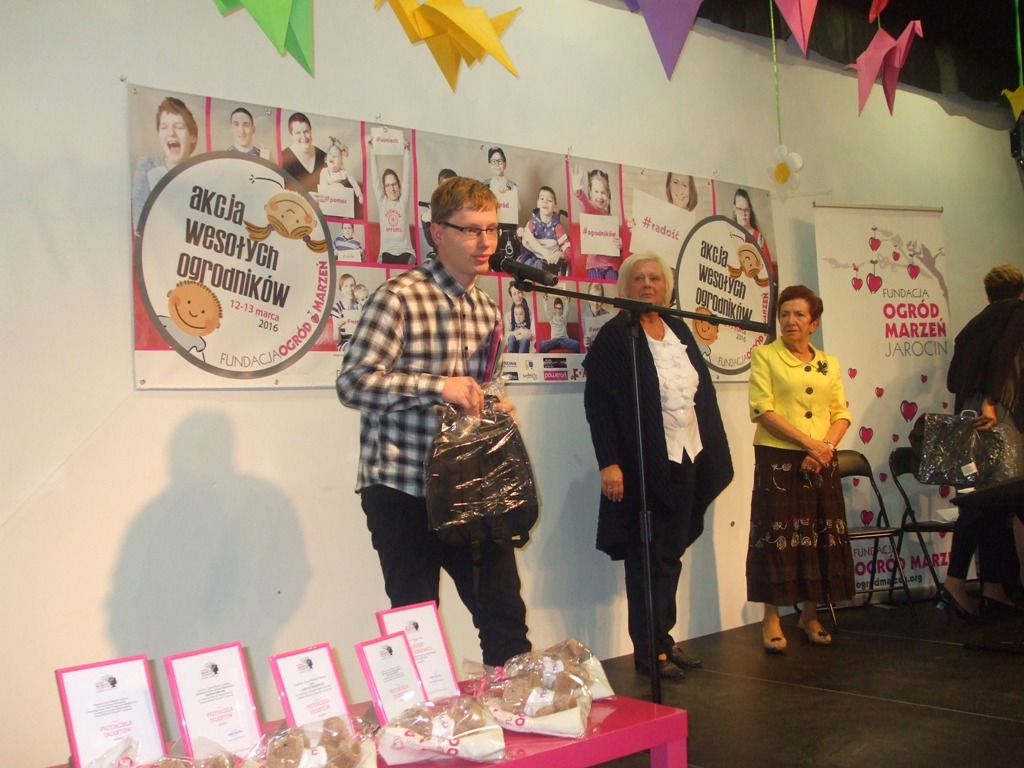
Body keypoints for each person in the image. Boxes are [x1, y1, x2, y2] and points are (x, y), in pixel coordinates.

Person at [336, 177, 531, 667]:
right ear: (436, 232)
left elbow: (487, 383)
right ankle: (422, 716)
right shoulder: (397, 298)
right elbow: (353, 383)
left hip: (471, 486)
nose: (485, 243)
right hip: (402, 486)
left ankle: (515, 712)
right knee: (415, 631)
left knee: (505, 618)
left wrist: (494, 404)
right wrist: (437, 386)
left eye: (492, 230)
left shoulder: (488, 309)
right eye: (471, 230)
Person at [583, 252, 733, 679]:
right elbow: (598, 407)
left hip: (685, 456)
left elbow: (700, 393)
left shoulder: (678, 328)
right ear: (625, 287)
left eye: (655, 279)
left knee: (670, 553)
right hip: (640, 464)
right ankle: (648, 651)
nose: (647, 285)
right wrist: (609, 463)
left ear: (666, 288)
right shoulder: (616, 336)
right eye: (639, 279)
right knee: (644, 557)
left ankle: (664, 639)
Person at [746, 285, 854, 652]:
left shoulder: (830, 362)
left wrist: (823, 449)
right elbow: (762, 409)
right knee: (776, 536)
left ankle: (810, 614)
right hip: (779, 457)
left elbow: (841, 413)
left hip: (821, 458)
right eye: (784, 314)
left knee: (818, 534)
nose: (790, 321)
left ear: (814, 323)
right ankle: (771, 617)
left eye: (799, 315)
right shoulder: (765, 356)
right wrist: (810, 444)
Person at [938, 264, 1024, 621]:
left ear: (988, 295)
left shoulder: (972, 326)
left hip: (969, 417)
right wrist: (990, 398)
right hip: (996, 415)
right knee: (996, 500)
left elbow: (953, 380)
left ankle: (992, 588)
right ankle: (956, 583)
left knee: (988, 503)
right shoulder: (1017, 313)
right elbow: (1005, 353)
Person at [132, 96, 199, 229]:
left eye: (179, 127)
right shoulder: (147, 167)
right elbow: (140, 226)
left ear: (193, 137)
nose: (171, 133)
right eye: (164, 127)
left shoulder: (202, 175)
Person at [571, 166, 622, 280]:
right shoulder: (591, 212)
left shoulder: (611, 219)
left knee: (612, 284)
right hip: (594, 265)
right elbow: (585, 204)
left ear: (608, 195)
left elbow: (615, 245)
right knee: (596, 285)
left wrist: (620, 244)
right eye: (596, 192)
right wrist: (578, 192)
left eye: (603, 192)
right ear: (590, 194)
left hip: (611, 266)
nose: (600, 196)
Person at [369, 137, 415, 264]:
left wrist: (406, 151)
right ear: (384, 188)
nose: (392, 189)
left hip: (406, 252)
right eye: (388, 185)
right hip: (387, 252)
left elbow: (407, 179)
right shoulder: (382, 203)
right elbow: (375, 179)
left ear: (399, 186)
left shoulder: (403, 203)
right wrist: (372, 150)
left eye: (394, 184)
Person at [517, 186, 572, 276]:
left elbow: (568, 251)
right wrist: (520, 234)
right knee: (527, 262)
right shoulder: (532, 223)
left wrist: (560, 254)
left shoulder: (557, 228)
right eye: (542, 199)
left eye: (549, 200)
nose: (545, 201)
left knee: (538, 265)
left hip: (548, 263)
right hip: (532, 257)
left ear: (555, 207)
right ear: (538, 203)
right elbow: (525, 241)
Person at [482, 147, 521, 260]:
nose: (497, 164)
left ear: (505, 164)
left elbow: (518, 209)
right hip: (490, 230)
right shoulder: (485, 185)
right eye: (493, 161)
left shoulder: (511, 185)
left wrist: (508, 193)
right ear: (489, 165)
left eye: (500, 161)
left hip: (508, 232)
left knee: (509, 260)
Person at [319, 137, 364, 218]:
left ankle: (345, 218)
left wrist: (359, 195)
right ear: (326, 159)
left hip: (342, 201)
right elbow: (323, 188)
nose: (332, 156)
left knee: (346, 214)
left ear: (341, 164)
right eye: (330, 154)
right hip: (329, 200)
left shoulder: (343, 172)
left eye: (336, 156)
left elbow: (353, 182)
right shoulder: (324, 172)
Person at [281, 112, 327, 193]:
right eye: (298, 133)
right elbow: (282, 193)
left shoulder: (325, 157)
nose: (303, 137)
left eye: (306, 131)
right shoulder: (283, 159)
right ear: (291, 135)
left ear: (311, 131)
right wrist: (305, 197)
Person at [732, 188, 774, 273]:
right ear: (734, 208)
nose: (743, 213)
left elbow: (769, 272)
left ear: (750, 210)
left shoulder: (759, 239)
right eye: (740, 209)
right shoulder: (729, 234)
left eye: (746, 210)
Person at [504, 282, 534, 354]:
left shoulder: (531, 313)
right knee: (511, 338)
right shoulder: (507, 316)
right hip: (513, 349)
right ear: (511, 297)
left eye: (519, 292)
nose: (518, 296)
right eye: (514, 294)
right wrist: (520, 331)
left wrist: (515, 334)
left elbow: (533, 335)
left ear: (522, 293)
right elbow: (506, 336)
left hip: (527, 350)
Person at [582, 282, 614, 349]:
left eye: (598, 299)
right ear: (588, 300)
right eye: (593, 299)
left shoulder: (607, 316)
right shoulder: (584, 317)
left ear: (602, 301)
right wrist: (586, 344)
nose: (596, 303)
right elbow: (588, 346)